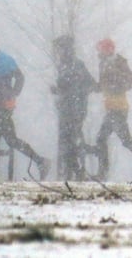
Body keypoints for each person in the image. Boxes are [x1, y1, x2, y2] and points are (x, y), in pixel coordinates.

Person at [0, 31, 48, 180]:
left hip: (5, 104)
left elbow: (20, 77)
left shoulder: (5, 59)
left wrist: (14, 94)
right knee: (10, 140)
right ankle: (40, 161)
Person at [91, 37, 132, 178]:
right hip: (111, 107)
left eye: (102, 49)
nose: (99, 52)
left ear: (107, 49)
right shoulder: (104, 63)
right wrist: (94, 86)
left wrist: (117, 84)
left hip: (118, 107)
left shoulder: (118, 61)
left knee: (107, 139)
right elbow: (103, 84)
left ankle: (103, 172)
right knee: (118, 140)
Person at [50, 35, 98, 181]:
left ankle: (79, 170)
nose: (58, 52)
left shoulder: (76, 65)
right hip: (67, 110)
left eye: (60, 49)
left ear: (66, 49)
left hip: (75, 110)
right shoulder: (64, 65)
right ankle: (76, 172)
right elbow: (86, 85)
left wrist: (72, 92)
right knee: (68, 142)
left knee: (70, 142)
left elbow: (90, 85)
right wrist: (58, 91)